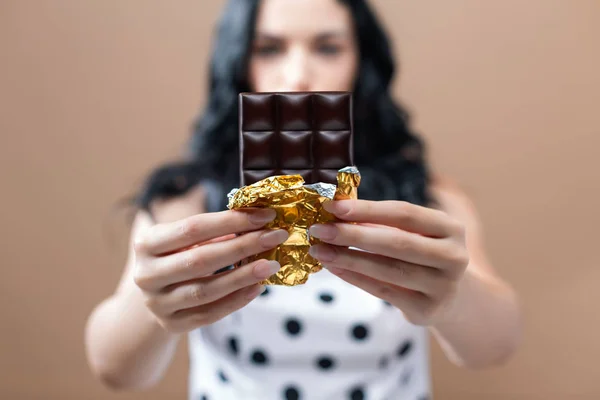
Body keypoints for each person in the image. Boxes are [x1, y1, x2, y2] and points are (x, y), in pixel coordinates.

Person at [85, 0, 522, 399]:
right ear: (238, 62)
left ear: (361, 62)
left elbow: (493, 348)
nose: (297, 76)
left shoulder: (423, 199)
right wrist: (152, 305)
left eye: (328, 48)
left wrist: (453, 296)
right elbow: (117, 371)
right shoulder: (188, 203)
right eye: (269, 49)